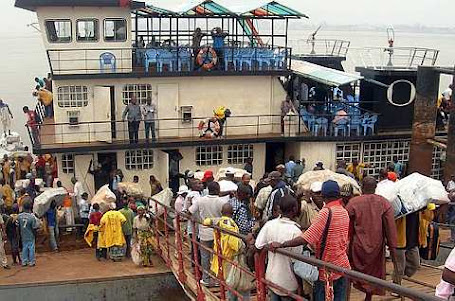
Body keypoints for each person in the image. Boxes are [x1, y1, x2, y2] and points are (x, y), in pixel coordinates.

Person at [270, 180, 351, 301]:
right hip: (342, 265)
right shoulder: (344, 211)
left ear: (323, 196)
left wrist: (282, 244)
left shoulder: (326, 212)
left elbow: (306, 238)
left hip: (327, 269)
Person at [345, 177, 399, 301]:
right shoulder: (384, 203)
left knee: (350, 274)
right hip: (376, 247)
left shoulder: (354, 202)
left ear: (362, 187)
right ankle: (368, 298)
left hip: (357, 246)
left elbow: (345, 223)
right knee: (373, 277)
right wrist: (393, 251)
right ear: (375, 188)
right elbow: (390, 230)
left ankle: (346, 298)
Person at [255, 195, 303, 300]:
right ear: (295, 209)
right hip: (288, 282)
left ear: (279, 209)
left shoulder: (269, 225)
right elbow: (297, 264)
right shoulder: (296, 232)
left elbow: (258, 246)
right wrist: (301, 287)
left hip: (271, 277)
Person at [189, 181, 227, 286]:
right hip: (218, 233)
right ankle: (217, 280)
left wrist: (196, 219)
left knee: (205, 256)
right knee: (217, 256)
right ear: (216, 190)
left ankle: (206, 279)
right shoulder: (222, 202)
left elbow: (190, 211)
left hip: (204, 232)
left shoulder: (200, 200)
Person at [207, 203, 246, 301]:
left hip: (220, 256)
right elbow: (235, 245)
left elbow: (206, 221)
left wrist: (213, 220)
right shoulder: (230, 225)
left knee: (227, 283)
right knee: (232, 283)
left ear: (221, 212)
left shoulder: (219, 222)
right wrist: (244, 245)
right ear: (232, 213)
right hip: (229, 258)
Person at [18, 200, 39, 267]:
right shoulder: (31, 217)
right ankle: (31, 261)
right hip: (30, 234)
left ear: (23, 207)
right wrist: (35, 235)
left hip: (23, 234)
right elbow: (34, 227)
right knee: (31, 248)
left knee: (24, 247)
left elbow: (18, 226)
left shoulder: (19, 216)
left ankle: (24, 261)